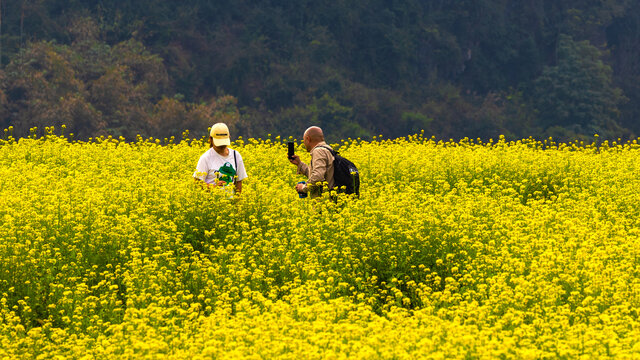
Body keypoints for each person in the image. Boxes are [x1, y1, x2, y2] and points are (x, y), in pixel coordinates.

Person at [193, 122, 247, 194]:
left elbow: (238, 182)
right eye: (219, 143)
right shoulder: (206, 158)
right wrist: (214, 187)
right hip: (211, 202)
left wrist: (237, 202)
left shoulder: (236, 156)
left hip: (230, 203)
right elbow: (197, 183)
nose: (222, 145)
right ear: (210, 139)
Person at [288, 126, 334, 198]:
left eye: (304, 141)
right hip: (331, 200)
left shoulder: (318, 151)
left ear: (308, 139)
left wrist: (303, 188)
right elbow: (319, 174)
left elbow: (318, 176)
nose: (304, 144)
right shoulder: (329, 149)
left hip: (324, 201)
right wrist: (299, 164)